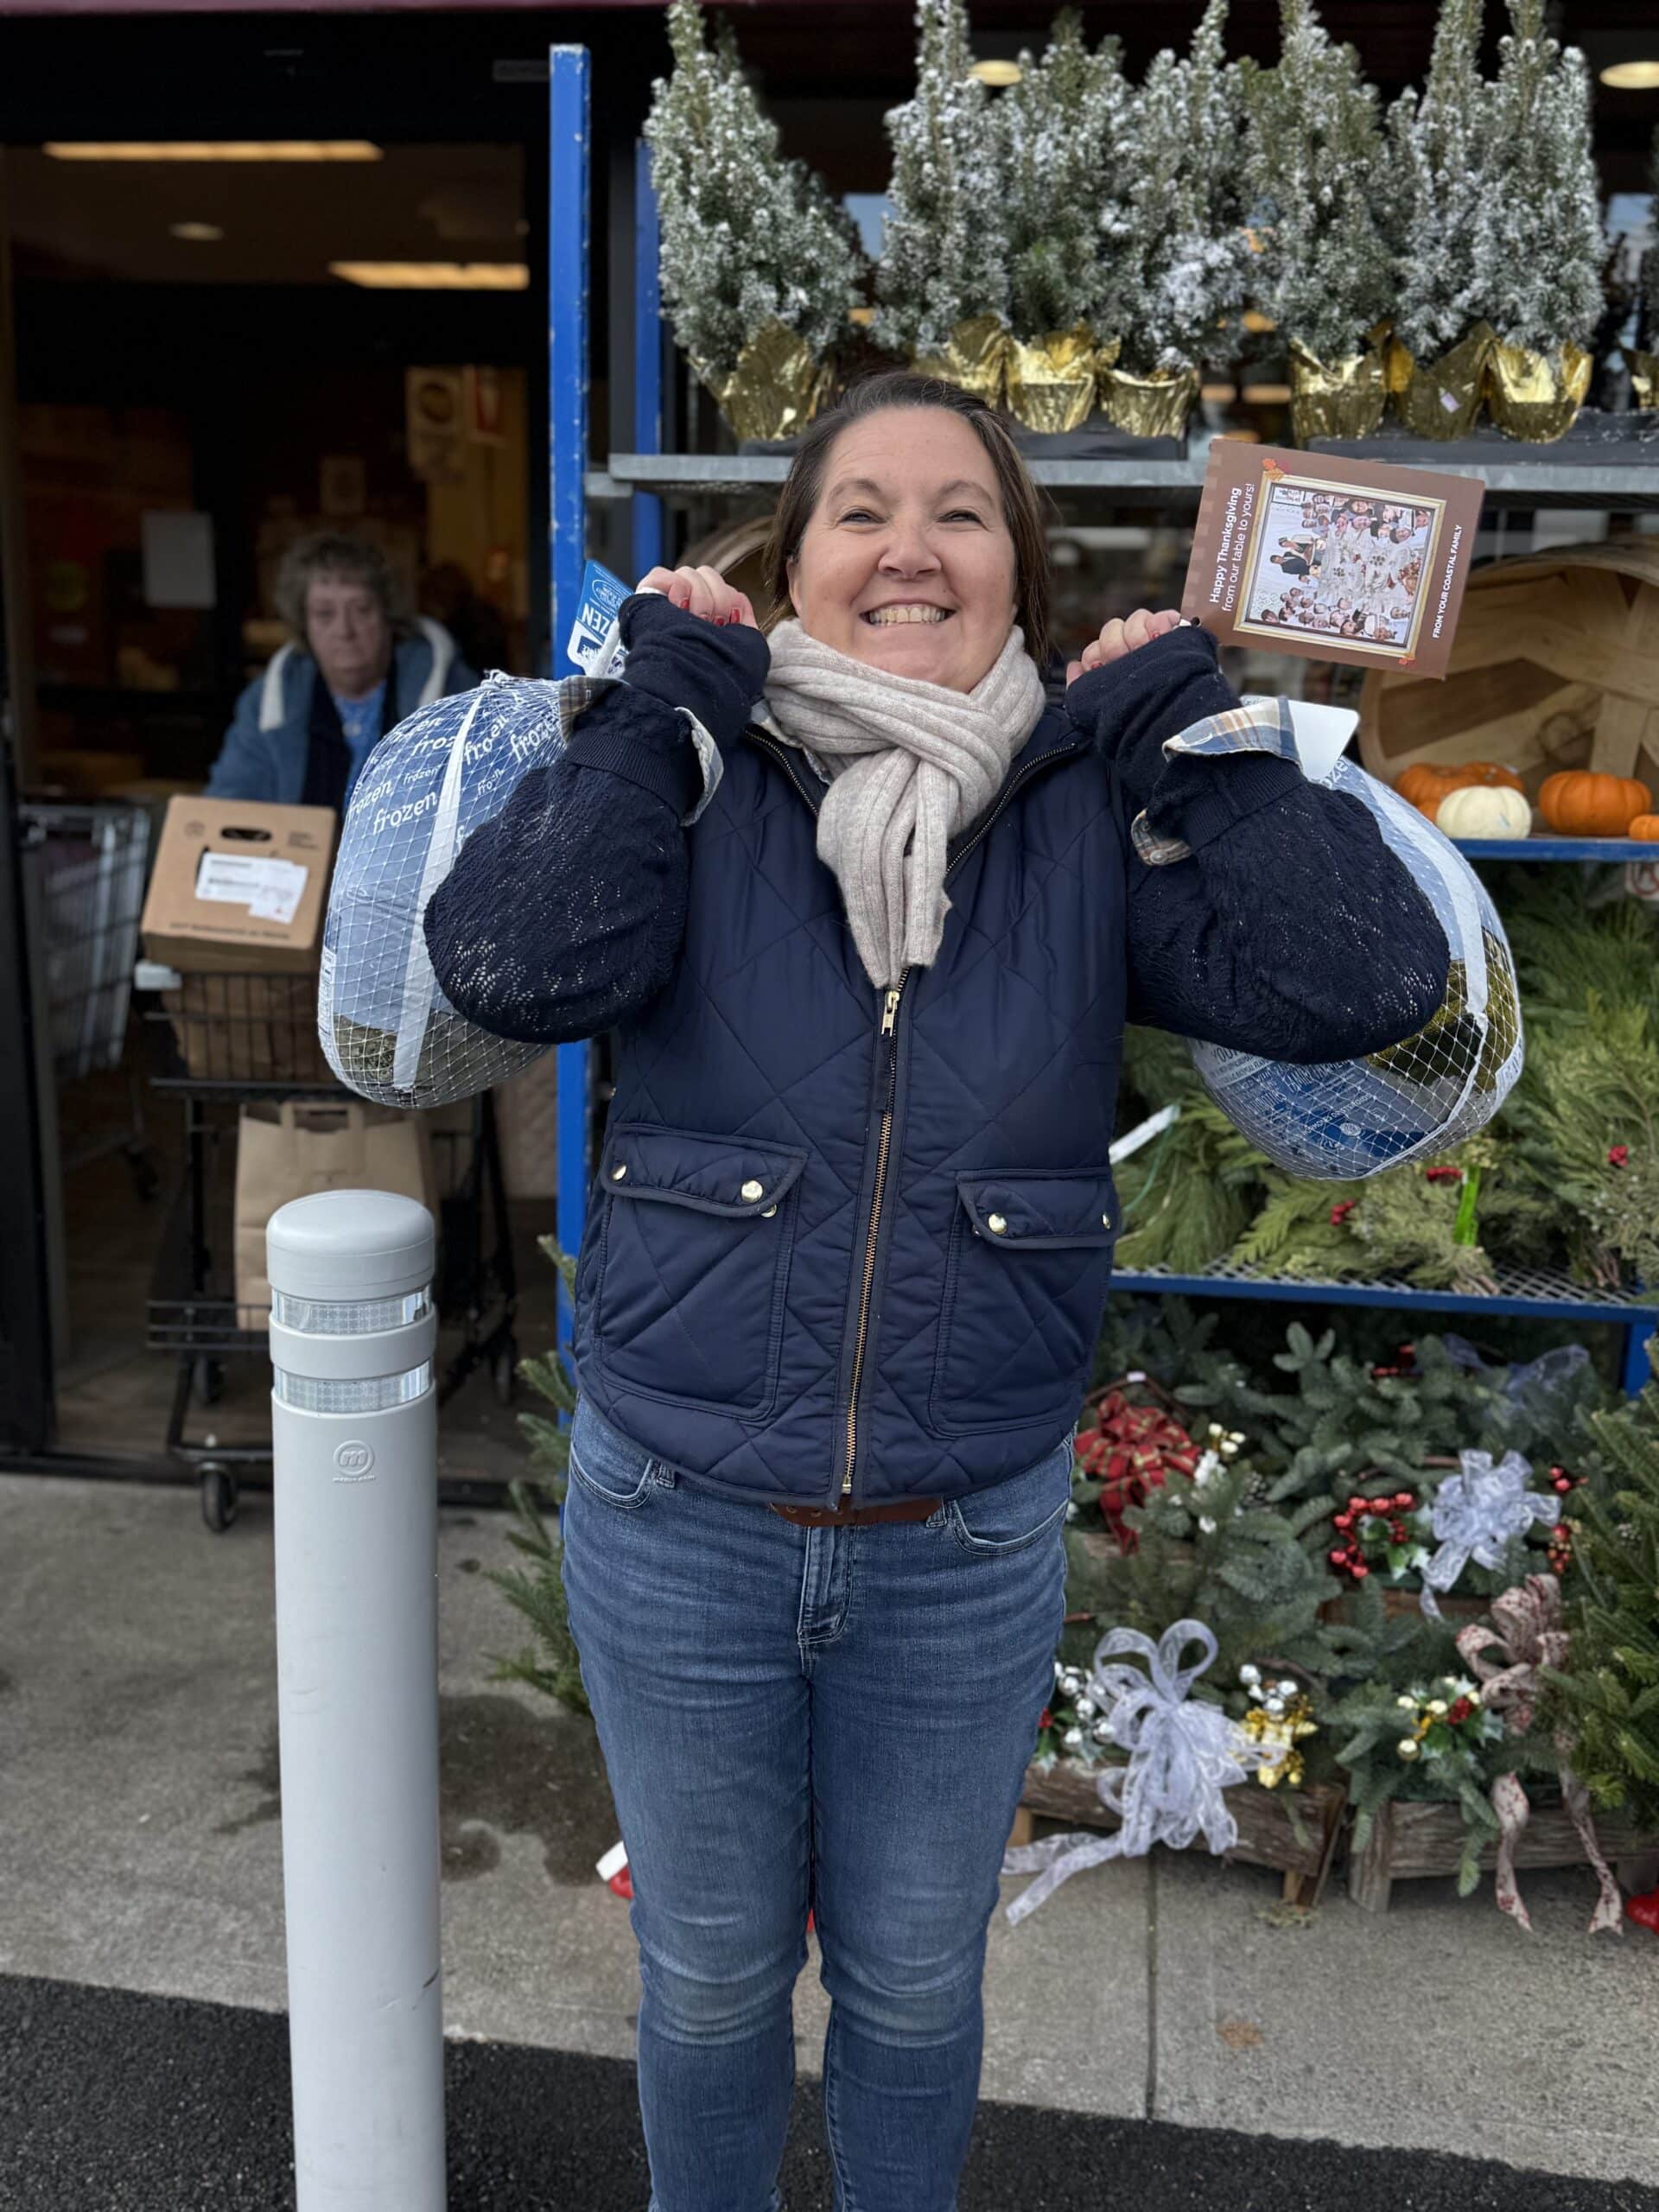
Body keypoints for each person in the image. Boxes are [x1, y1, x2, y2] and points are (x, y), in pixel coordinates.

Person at [423, 371, 1449, 2212]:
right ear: (797, 557)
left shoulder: (1085, 808)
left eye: (962, 510)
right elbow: (506, 959)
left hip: (959, 1544)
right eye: (863, 509)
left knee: (912, 1984)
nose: (912, 546)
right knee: (715, 1974)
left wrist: (1184, 728)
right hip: (683, 1521)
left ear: (1019, 568)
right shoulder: (697, 774)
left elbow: (1366, 980)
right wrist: (654, 707)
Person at [206, 532, 476, 807]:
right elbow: (228, 807)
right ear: (304, 624)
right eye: (324, 614)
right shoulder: (269, 699)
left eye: (361, 610)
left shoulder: (454, 693)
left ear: (388, 615)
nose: (344, 631)